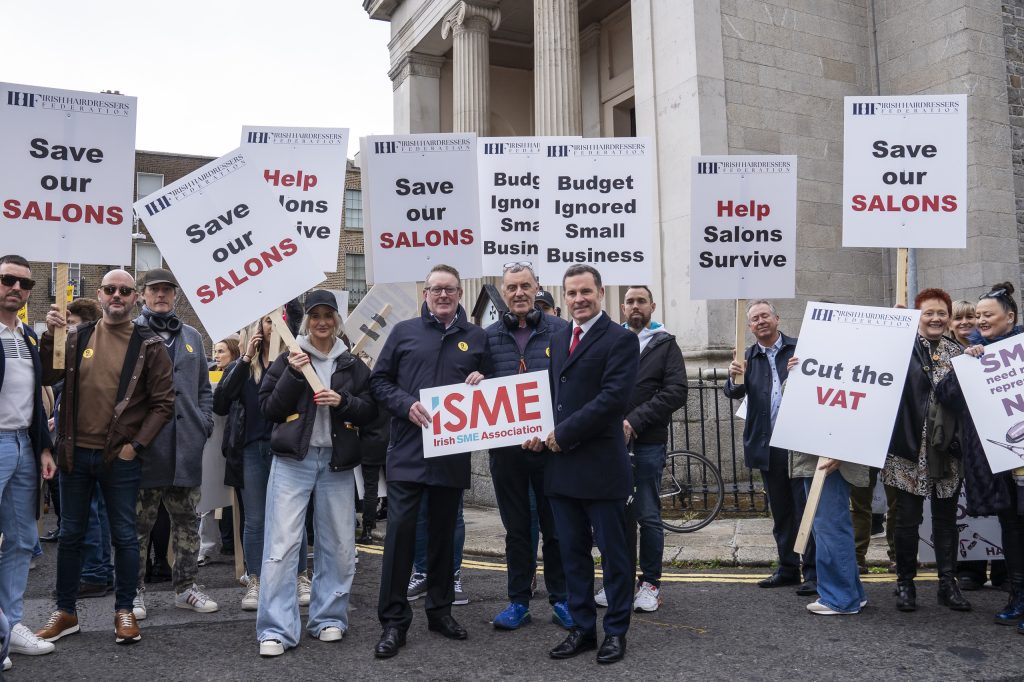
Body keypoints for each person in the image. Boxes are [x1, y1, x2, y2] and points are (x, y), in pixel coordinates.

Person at [38, 269, 175, 645]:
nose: (117, 295)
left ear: (135, 299)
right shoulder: (77, 334)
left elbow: (164, 404)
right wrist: (51, 337)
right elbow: (47, 375)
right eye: (111, 289)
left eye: (125, 290)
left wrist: (135, 447)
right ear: (99, 295)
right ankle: (66, 612)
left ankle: (125, 611)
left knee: (125, 538)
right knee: (71, 536)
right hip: (74, 455)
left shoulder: (150, 344)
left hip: (120, 458)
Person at [370, 265, 490, 659]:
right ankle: (393, 622)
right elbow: (379, 382)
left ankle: (440, 612)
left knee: (442, 537)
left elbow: (492, 388)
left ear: (459, 294)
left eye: (450, 289)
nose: (443, 295)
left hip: (451, 453)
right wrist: (406, 405)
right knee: (401, 536)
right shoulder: (403, 332)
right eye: (436, 289)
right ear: (425, 293)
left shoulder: (475, 337)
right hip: (408, 451)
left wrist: (481, 382)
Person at [524, 264, 639, 665]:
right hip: (561, 468)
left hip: (602, 468)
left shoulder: (621, 339)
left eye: (585, 292)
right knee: (571, 554)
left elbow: (611, 401)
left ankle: (616, 633)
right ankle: (582, 630)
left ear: (601, 292)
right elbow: (551, 395)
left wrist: (561, 433)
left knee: (614, 556)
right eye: (571, 293)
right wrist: (536, 430)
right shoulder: (558, 336)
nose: (578, 300)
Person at [256, 290, 378, 657]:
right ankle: (276, 629)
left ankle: (329, 618)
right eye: (315, 316)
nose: (322, 322)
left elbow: (371, 412)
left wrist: (345, 403)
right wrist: (294, 374)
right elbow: (269, 409)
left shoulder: (352, 364)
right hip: (294, 462)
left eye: (328, 315)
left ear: (338, 320)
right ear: (306, 320)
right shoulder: (289, 358)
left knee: (339, 546)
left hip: (337, 464)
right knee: (282, 546)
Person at [483, 262, 571, 630]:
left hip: (551, 451)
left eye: (525, 286)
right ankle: (518, 601)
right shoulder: (485, 337)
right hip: (507, 453)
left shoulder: (562, 331)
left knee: (556, 529)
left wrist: (554, 433)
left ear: (537, 289)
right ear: (503, 293)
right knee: (517, 530)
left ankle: (562, 600)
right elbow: (477, 389)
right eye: (511, 287)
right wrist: (473, 379)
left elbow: (571, 386)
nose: (519, 292)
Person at [130, 268, 218, 620]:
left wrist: (204, 425)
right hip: (145, 448)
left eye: (167, 290)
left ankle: (186, 588)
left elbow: (203, 390)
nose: (161, 295)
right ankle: (133, 592)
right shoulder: (130, 333)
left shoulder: (193, 336)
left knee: (187, 523)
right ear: (142, 295)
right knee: (138, 527)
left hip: (186, 447)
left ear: (176, 296)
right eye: (155, 290)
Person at [936, 282, 1024, 632]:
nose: (980, 321)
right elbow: (947, 396)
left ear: (1010, 317)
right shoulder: (973, 353)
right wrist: (963, 365)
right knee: (1012, 529)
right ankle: (1018, 596)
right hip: (1000, 463)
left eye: (988, 315)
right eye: (978, 316)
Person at [596, 285, 686, 613]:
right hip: (609, 444)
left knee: (647, 515)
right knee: (616, 516)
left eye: (641, 301)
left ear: (652, 306)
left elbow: (676, 391)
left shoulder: (665, 344)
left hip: (648, 444)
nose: (636, 306)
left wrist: (634, 420)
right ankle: (617, 581)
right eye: (630, 301)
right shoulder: (611, 342)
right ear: (622, 308)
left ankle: (650, 584)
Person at [881, 288, 970, 613]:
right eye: (928, 313)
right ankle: (906, 584)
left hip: (947, 452)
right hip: (907, 449)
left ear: (948, 317)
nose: (935, 318)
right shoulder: (901, 348)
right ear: (917, 316)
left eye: (941, 313)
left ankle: (948, 584)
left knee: (946, 520)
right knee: (907, 519)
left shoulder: (958, 352)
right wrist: (893, 325)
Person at [214, 315, 310, 612]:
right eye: (265, 321)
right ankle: (256, 579)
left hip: (285, 446)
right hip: (252, 449)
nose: (271, 326)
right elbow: (221, 402)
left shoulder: (294, 360)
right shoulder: (243, 366)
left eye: (276, 320)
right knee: (255, 518)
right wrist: (245, 358)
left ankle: (300, 576)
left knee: (292, 516)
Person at [724, 300, 816, 594]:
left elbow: (818, 381)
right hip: (768, 444)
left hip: (799, 442)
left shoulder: (798, 348)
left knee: (805, 510)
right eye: (754, 319)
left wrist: (803, 370)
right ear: (749, 327)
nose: (760, 321)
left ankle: (812, 572)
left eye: (765, 315)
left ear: (777, 318)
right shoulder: (746, 356)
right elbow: (733, 391)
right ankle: (788, 568)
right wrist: (733, 374)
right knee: (782, 511)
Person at [0, 255, 58, 668]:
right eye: (7, 280)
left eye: (25, 284)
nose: (16, 289)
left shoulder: (29, 336)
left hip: (22, 445)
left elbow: (39, 397)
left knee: (21, 540)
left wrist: (42, 447)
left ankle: (10, 625)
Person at [946, 299, 1006, 591]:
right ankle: (970, 568)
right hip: (962, 443)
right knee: (969, 508)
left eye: (975, 317)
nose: (968, 323)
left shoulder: (1001, 346)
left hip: (1000, 440)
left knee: (1003, 506)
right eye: (961, 318)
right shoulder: (948, 351)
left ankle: (1004, 568)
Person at [199, 336, 241, 567]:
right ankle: (207, 547)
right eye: (215, 351)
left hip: (231, 445)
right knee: (209, 500)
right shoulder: (211, 378)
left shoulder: (237, 375)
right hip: (214, 446)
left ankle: (232, 545)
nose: (216, 355)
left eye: (222, 351)